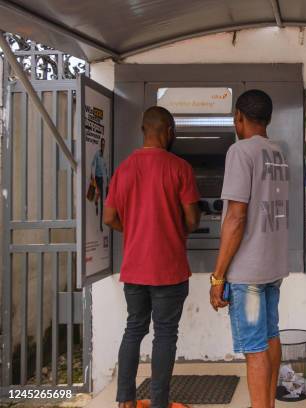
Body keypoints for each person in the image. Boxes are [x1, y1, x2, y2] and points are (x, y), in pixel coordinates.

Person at [103, 106, 201, 408]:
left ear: (143, 130)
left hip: (134, 269)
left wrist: (133, 228)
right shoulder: (179, 168)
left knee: (134, 329)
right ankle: (159, 403)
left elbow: (109, 218)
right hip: (169, 269)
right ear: (169, 131)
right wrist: (172, 228)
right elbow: (193, 220)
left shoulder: (124, 168)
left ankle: (126, 401)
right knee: (165, 335)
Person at [209, 89, 289, 408]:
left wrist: (218, 277)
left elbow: (236, 217)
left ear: (238, 118)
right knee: (270, 337)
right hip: (273, 267)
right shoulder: (278, 153)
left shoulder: (240, 152)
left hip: (249, 274)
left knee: (255, 348)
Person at [91, 137, 109, 231]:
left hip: (102, 180)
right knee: (98, 194)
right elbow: (92, 164)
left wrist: (107, 180)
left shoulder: (104, 156)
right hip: (97, 178)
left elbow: (105, 169)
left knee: (103, 202)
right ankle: (96, 201)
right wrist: (92, 176)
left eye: (104, 143)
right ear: (100, 144)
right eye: (101, 143)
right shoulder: (97, 154)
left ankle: (101, 225)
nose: (103, 145)